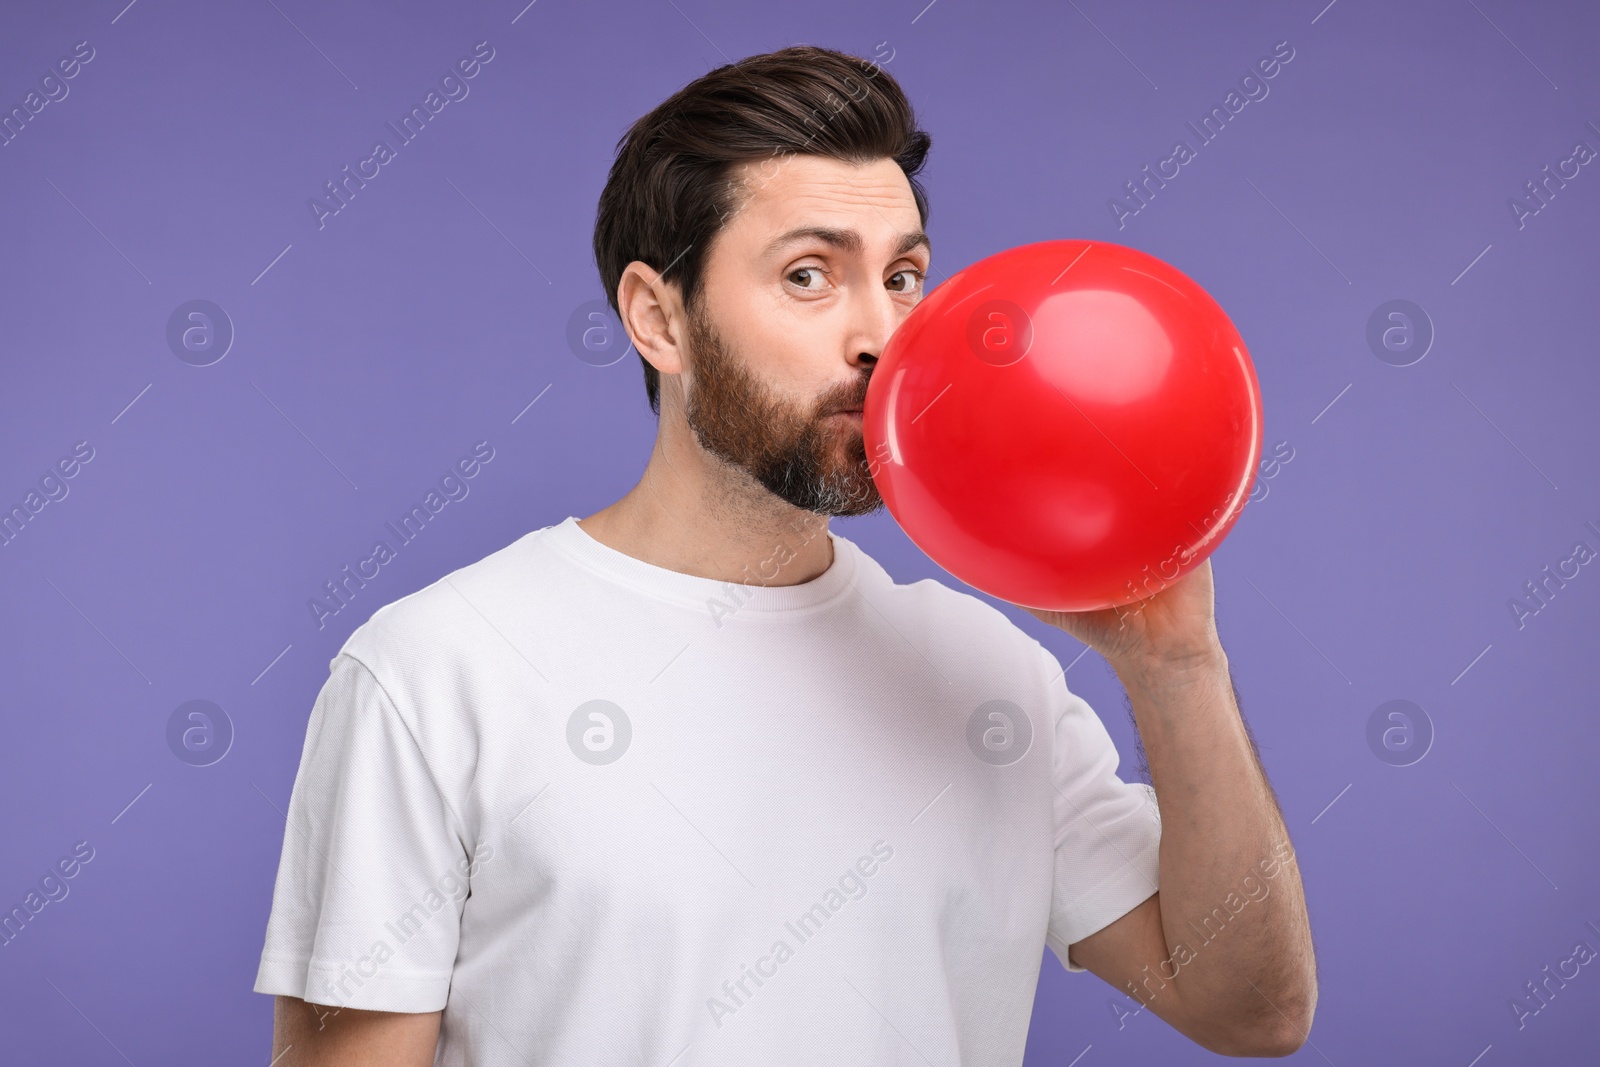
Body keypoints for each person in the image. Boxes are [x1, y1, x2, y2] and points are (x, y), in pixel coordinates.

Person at [253, 44, 1316, 1065]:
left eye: (903, 276)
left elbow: (1250, 1010)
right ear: (658, 318)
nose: (882, 335)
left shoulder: (992, 678)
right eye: (809, 274)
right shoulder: (435, 670)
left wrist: (1174, 664)